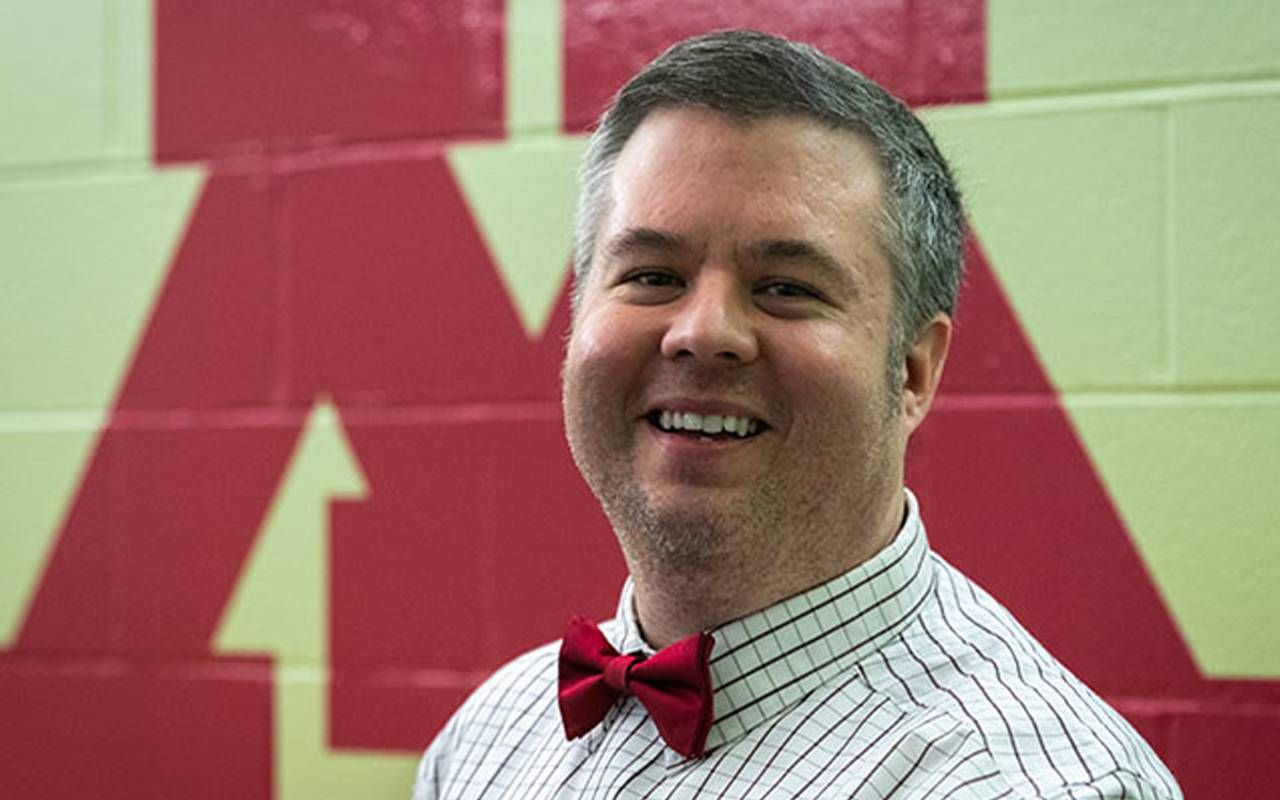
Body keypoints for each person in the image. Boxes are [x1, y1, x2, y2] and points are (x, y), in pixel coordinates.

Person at [413, 30, 1182, 799]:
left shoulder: (1016, 783)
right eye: (652, 275)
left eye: (786, 287)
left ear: (912, 371)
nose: (702, 332)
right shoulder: (488, 742)